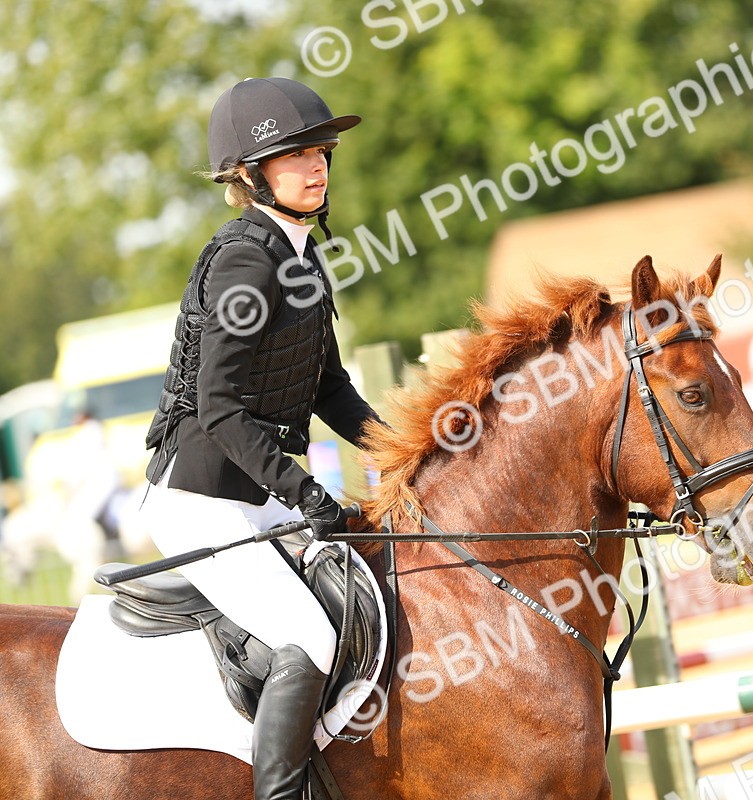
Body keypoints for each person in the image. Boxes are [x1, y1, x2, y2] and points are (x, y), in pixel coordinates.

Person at [141, 77, 382, 800]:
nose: (316, 166)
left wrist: (414, 451)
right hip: (200, 498)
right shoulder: (247, 259)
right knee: (310, 637)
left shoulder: (302, 255)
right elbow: (217, 406)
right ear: (250, 175)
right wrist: (303, 487)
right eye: (294, 155)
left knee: (370, 595)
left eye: (321, 152)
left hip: (254, 495)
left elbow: (330, 391)